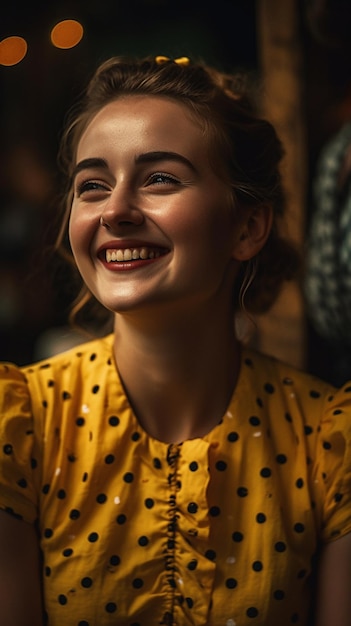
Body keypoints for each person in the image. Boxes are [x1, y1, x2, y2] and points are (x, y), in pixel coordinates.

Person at [0, 54, 351, 626]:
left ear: (247, 227)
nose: (115, 210)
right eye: (92, 185)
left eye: (160, 178)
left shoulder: (329, 445)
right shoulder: (20, 427)